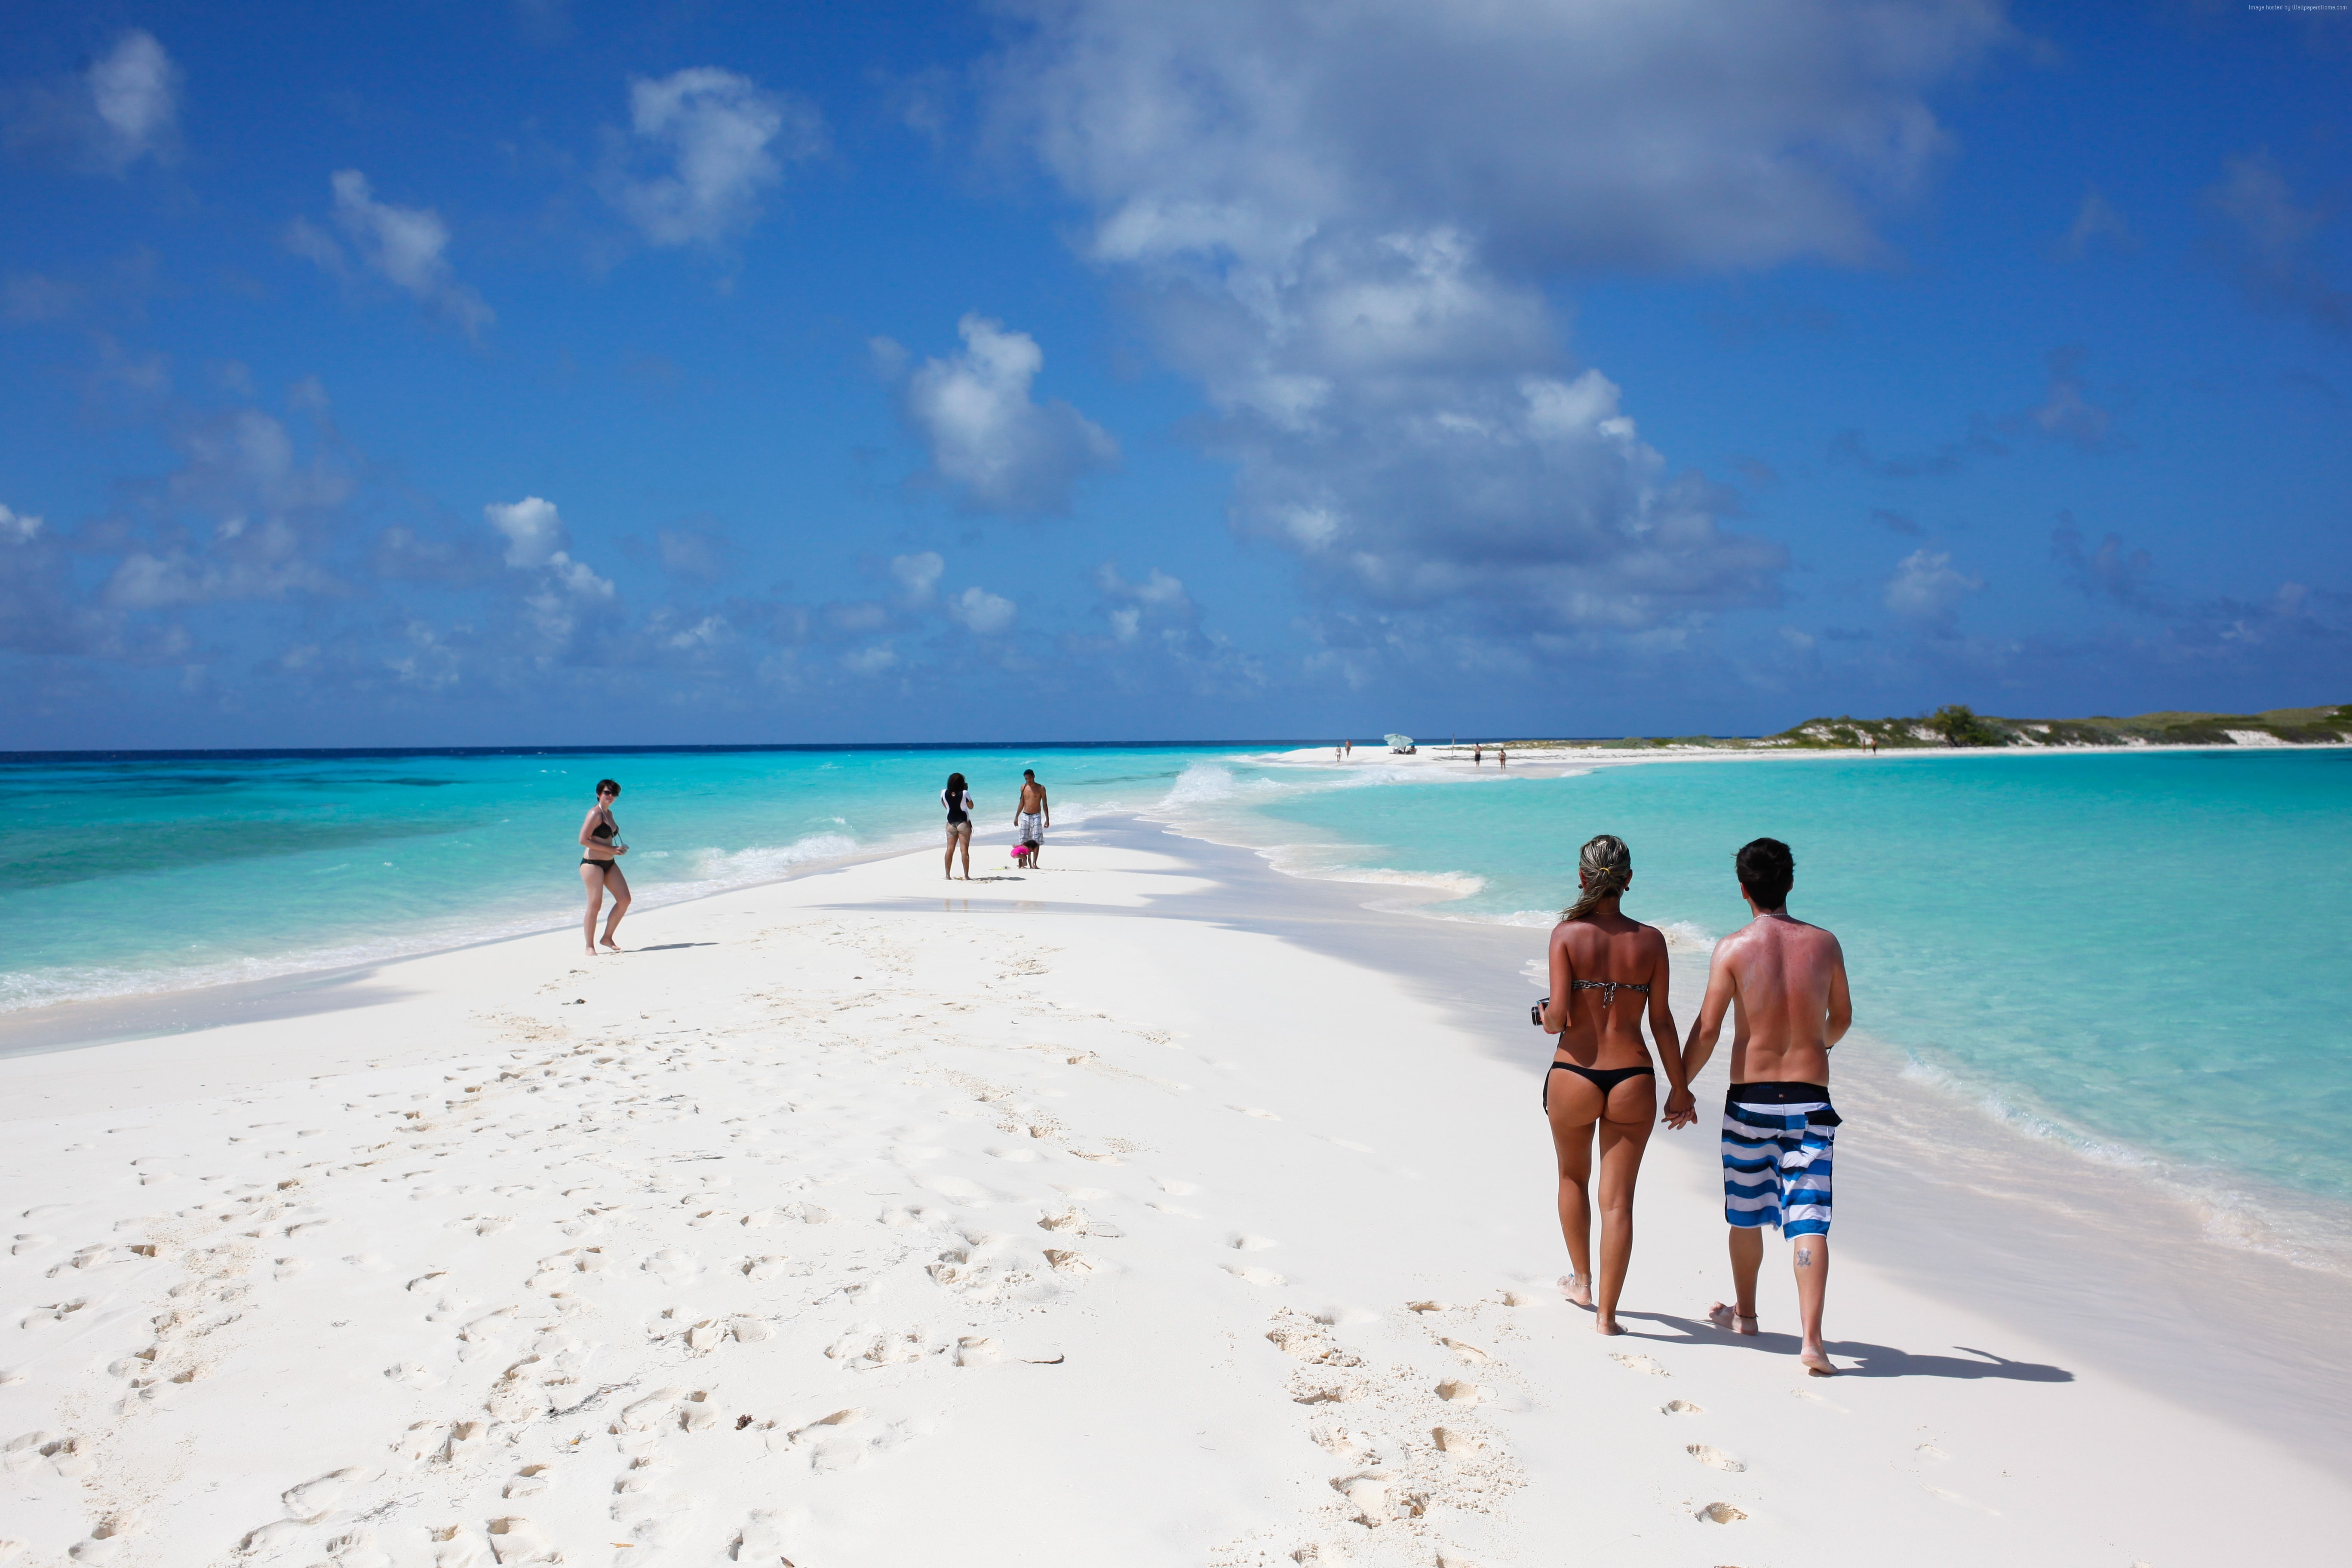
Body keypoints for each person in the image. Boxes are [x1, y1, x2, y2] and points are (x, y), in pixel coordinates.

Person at [1670, 837, 1853, 1376]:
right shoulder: (1825, 944)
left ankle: (1745, 1314)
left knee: (1745, 1212)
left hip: (1750, 1102)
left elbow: (1707, 1029)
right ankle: (1813, 1341)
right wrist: (1817, 1044)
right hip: (1810, 1102)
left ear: (1743, 890)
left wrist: (1681, 1086)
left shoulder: (1732, 948)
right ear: (1790, 883)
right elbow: (1841, 1017)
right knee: (1808, 1220)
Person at [1537, 834, 1691, 1335]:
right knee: (1619, 1200)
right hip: (1633, 1076)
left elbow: (1558, 1017)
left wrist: (1543, 1015)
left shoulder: (1566, 934)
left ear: (1582, 877)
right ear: (1628, 879)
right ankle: (1607, 1315)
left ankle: (1582, 1282)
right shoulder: (1650, 940)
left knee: (1571, 1178)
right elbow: (1662, 1021)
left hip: (1575, 1073)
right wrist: (1681, 1087)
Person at [577, 778, 631, 955]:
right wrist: (611, 849)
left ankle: (607, 937)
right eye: (607, 793)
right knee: (595, 904)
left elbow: (609, 838)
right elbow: (583, 840)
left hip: (609, 863)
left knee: (625, 900)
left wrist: (618, 850)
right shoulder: (595, 814)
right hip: (592, 864)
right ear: (599, 794)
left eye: (614, 794)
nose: (611, 796)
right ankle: (589, 946)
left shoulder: (609, 814)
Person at [1013, 769, 1050, 868]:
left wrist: (1047, 819)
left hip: (1036, 816)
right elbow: (1022, 803)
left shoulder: (1041, 788)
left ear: (1034, 776)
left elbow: (1045, 804)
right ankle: (1022, 864)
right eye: (1026, 779)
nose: (1028, 780)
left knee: (1036, 840)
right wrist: (1017, 816)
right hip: (1025, 815)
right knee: (1024, 839)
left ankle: (1034, 864)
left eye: (1029, 778)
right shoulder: (1023, 787)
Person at [942, 772, 976, 880]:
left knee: (950, 849)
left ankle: (947, 875)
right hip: (963, 823)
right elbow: (971, 807)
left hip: (950, 823)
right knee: (964, 850)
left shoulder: (944, 793)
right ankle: (966, 876)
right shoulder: (965, 793)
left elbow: (945, 805)